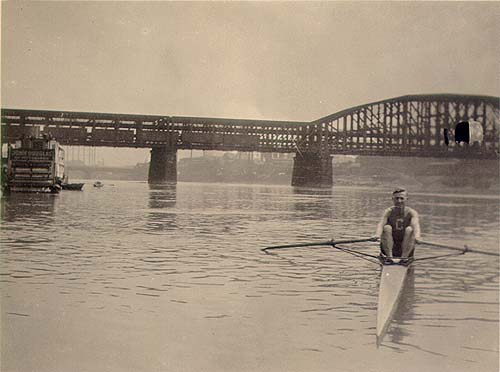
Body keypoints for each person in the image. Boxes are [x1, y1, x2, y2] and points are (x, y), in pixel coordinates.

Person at [372, 188, 421, 264]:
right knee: (386, 228)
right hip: (389, 247)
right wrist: (377, 235)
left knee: (410, 229)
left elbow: (416, 226)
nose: (399, 201)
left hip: (406, 248)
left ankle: (404, 259)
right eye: (396, 198)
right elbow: (381, 224)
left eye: (402, 198)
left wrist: (417, 237)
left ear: (406, 199)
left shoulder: (412, 213)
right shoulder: (388, 211)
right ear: (392, 199)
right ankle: (389, 258)